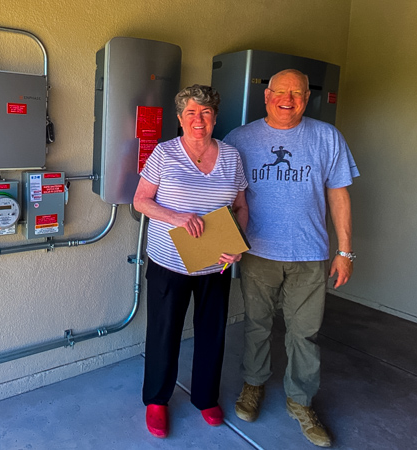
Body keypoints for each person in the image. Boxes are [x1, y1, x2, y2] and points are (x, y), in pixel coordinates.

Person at [223, 69, 359, 448]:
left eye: (297, 92)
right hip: (257, 253)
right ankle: (253, 385)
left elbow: (339, 196)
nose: (288, 99)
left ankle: (301, 402)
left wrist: (345, 251)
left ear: (307, 97)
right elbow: (223, 194)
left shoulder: (327, 137)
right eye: (280, 92)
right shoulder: (240, 139)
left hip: (310, 255)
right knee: (257, 325)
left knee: (305, 334)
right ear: (266, 97)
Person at [133, 84, 248, 439]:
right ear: (181, 119)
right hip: (169, 264)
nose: (199, 120)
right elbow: (140, 201)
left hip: (217, 264)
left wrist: (238, 246)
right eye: (191, 113)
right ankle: (157, 399)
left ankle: (206, 397)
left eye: (206, 112)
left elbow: (241, 207)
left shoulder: (231, 157)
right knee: (164, 332)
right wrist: (177, 217)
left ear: (215, 117)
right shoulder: (165, 154)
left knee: (212, 332)